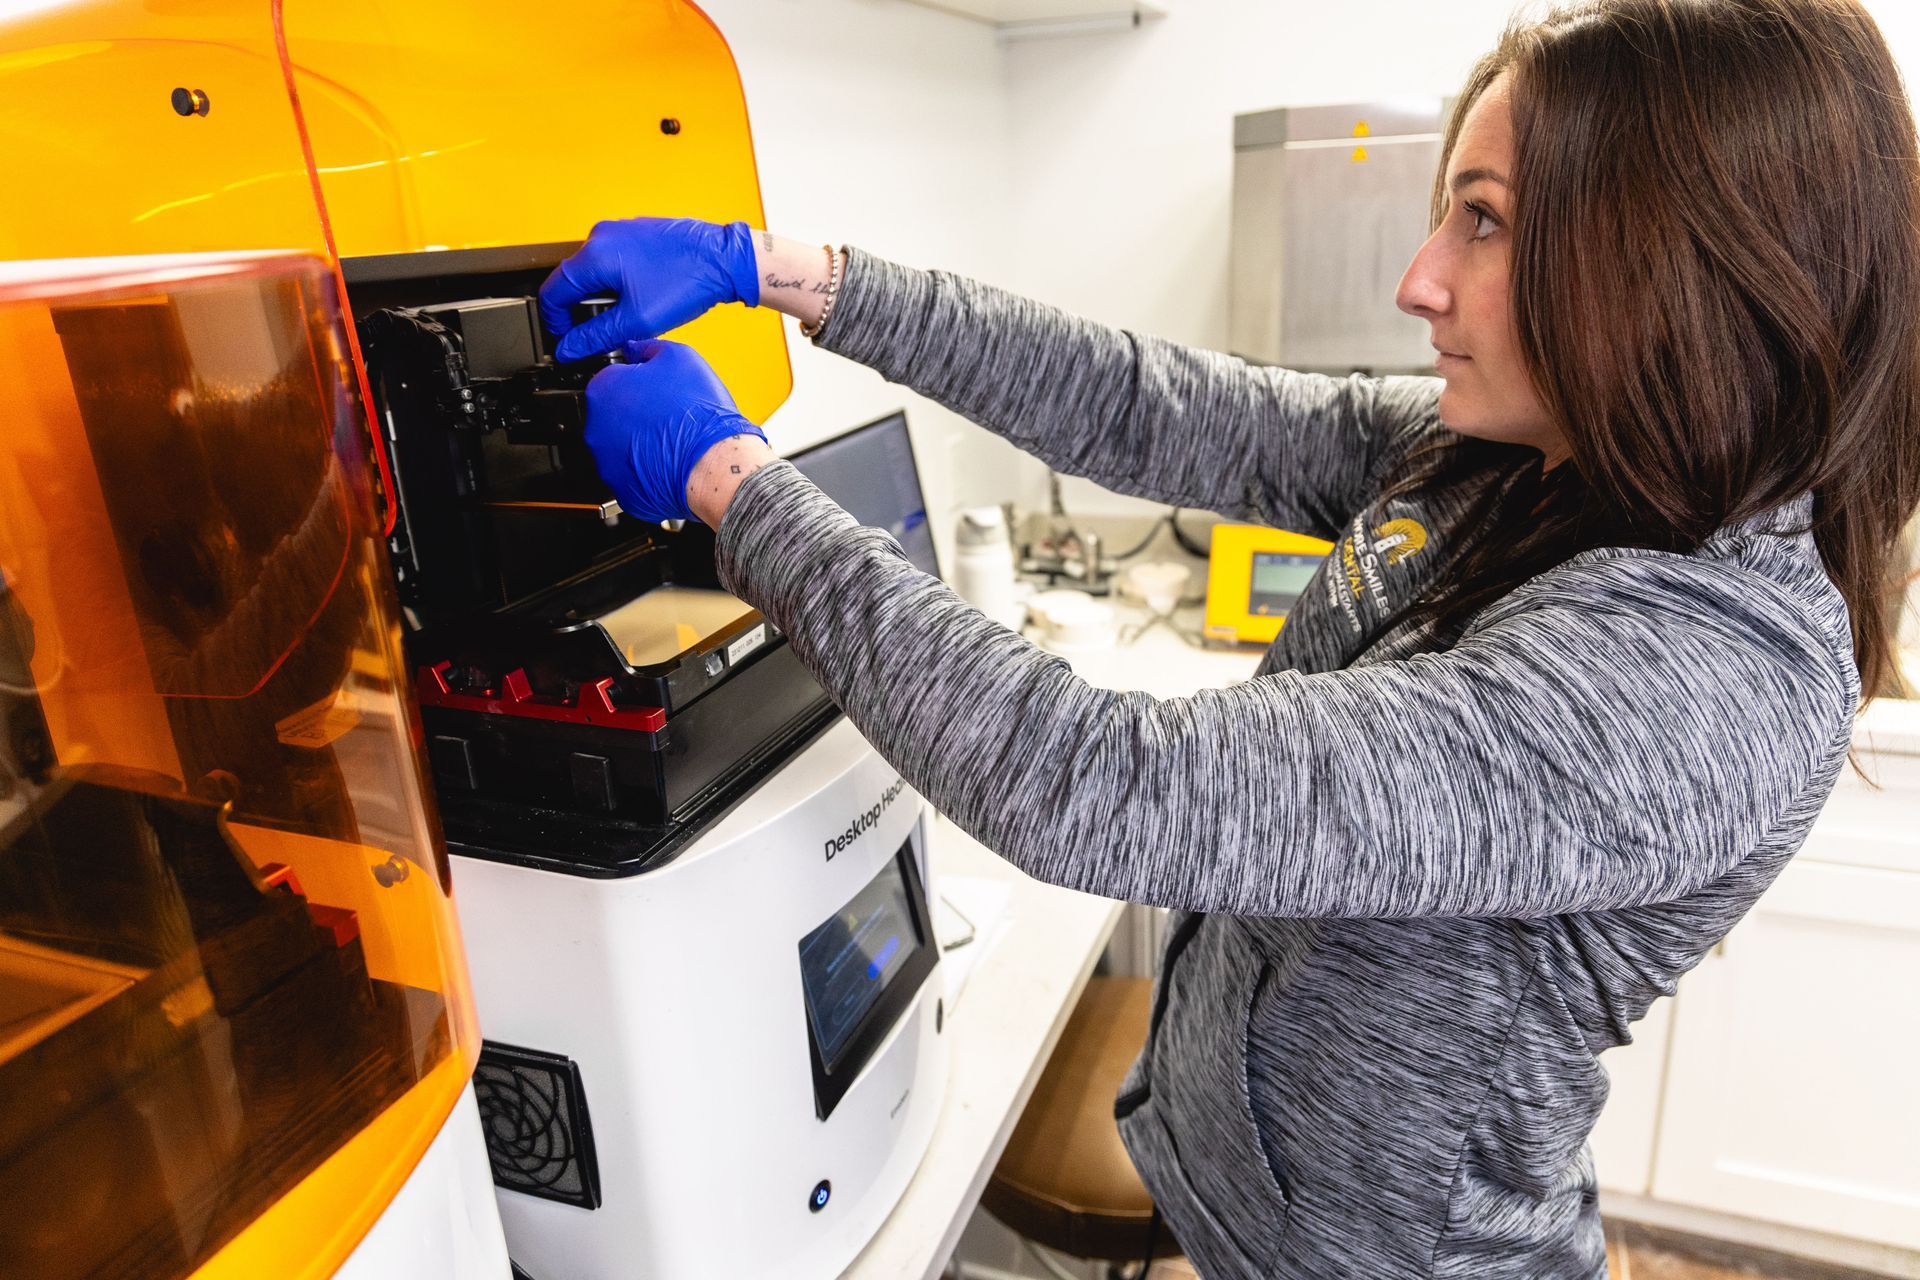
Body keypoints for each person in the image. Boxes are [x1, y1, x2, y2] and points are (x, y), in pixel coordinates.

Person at [537, 1, 1920, 1275]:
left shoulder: (1700, 673)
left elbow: (1105, 784)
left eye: (1486, 223)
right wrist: (787, 274)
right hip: (1246, 1191)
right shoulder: (1528, 460)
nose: (1420, 282)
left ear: (1675, 265)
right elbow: (1160, 407)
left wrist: (737, 487)